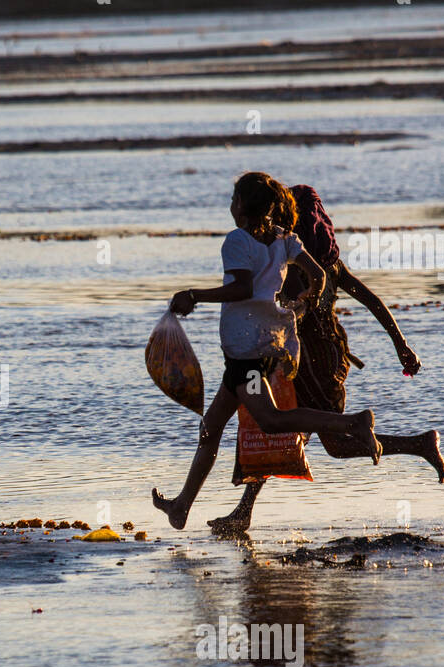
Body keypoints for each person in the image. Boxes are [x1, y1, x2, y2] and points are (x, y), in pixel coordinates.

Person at [207, 183, 444, 533]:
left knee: (311, 437)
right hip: (316, 355)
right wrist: (401, 344)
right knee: (275, 427)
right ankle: (243, 511)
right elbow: (372, 300)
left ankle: (419, 443)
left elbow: (270, 306)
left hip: (312, 361)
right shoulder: (324, 263)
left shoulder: (290, 261)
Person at [152, 172, 380, 531]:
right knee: (211, 427)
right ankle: (181, 506)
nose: (229, 206)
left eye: (232, 200)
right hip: (256, 349)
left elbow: (241, 288)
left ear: (241, 205)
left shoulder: (237, 241)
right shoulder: (284, 239)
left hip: (248, 356)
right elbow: (318, 277)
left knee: (271, 420)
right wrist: (298, 306)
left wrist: (194, 295)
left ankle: (354, 423)